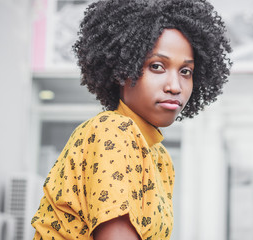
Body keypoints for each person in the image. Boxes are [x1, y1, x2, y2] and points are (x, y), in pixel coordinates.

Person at [31, 0, 231, 239]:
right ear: (122, 70)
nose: (175, 86)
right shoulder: (112, 131)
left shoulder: (160, 158)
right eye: (157, 66)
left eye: (185, 71)